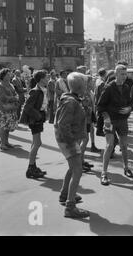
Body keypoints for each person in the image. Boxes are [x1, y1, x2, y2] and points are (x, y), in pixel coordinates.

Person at [54, 72, 89, 219]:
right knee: (77, 170)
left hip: (67, 138)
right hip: (67, 139)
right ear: (81, 87)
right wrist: (71, 142)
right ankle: (70, 206)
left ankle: (64, 195)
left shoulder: (73, 99)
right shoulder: (71, 102)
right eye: (85, 84)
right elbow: (63, 124)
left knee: (73, 167)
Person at [97, 65, 133, 186]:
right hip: (110, 121)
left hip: (122, 121)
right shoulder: (108, 88)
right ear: (116, 74)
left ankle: (126, 168)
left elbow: (130, 103)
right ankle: (104, 173)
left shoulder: (127, 87)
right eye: (122, 74)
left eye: (125, 74)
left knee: (124, 145)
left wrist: (129, 108)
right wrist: (106, 117)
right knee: (109, 146)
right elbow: (100, 106)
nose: (125, 76)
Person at [20, 70, 49, 179]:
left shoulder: (42, 90)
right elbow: (27, 107)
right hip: (35, 119)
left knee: (35, 143)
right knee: (37, 143)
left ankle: (33, 166)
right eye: (46, 77)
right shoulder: (35, 91)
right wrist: (38, 116)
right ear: (41, 79)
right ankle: (30, 168)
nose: (48, 79)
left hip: (38, 118)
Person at [0, 68, 19, 151]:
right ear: (3, 76)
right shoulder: (0, 85)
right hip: (3, 108)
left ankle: (6, 142)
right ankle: (2, 144)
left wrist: (16, 97)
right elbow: (2, 97)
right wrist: (13, 98)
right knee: (3, 127)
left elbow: (16, 93)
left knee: (7, 126)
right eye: (8, 74)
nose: (10, 75)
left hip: (11, 108)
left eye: (10, 74)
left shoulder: (10, 84)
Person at [80, 76, 98, 173]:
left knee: (85, 139)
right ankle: (80, 162)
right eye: (92, 82)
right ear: (87, 83)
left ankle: (81, 161)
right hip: (85, 119)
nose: (94, 83)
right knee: (84, 140)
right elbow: (85, 105)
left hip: (88, 118)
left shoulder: (89, 92)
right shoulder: (84, 92)